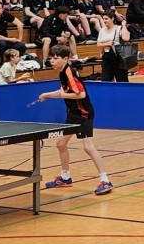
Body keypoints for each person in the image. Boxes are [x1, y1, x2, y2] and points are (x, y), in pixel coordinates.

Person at [36, 44, 113, 195]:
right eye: (51, 58)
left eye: (55, 58)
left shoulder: (69, 72)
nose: (52, 61)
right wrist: (48, 95)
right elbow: (63, 91)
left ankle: (105, 181)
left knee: (88, 147)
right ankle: (65, 178)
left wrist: (62, 95)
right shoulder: (62, 72)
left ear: (65, 59)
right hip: (73, 113)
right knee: (61, 143)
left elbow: (81, 94)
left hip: (83, 114)